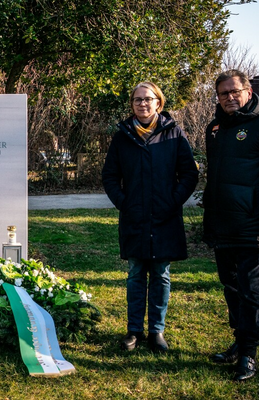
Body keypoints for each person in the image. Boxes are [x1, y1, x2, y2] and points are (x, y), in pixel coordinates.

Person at [102, 82, 199, 353]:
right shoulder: (122, 137)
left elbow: (190, 173)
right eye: (137, 100)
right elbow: (110, 176)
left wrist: (172, 200)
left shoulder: (174, 134)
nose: (142, 104)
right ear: (131, 104)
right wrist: (124, 203)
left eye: (148, 99)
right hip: (135, 217)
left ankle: (157, 331)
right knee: (135, 274)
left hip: (165, 217)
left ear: (159, 102)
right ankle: (134, 331)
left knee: (161, 274)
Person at [203, 69, 259, 382]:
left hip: (252, 225)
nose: (229, 98)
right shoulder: (215, 128)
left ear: (248, 92)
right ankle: (239, 341)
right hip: (222, 224)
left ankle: (249, 354)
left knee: (251, 292)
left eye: (235, 91)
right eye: (223, 93)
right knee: (231, 288)